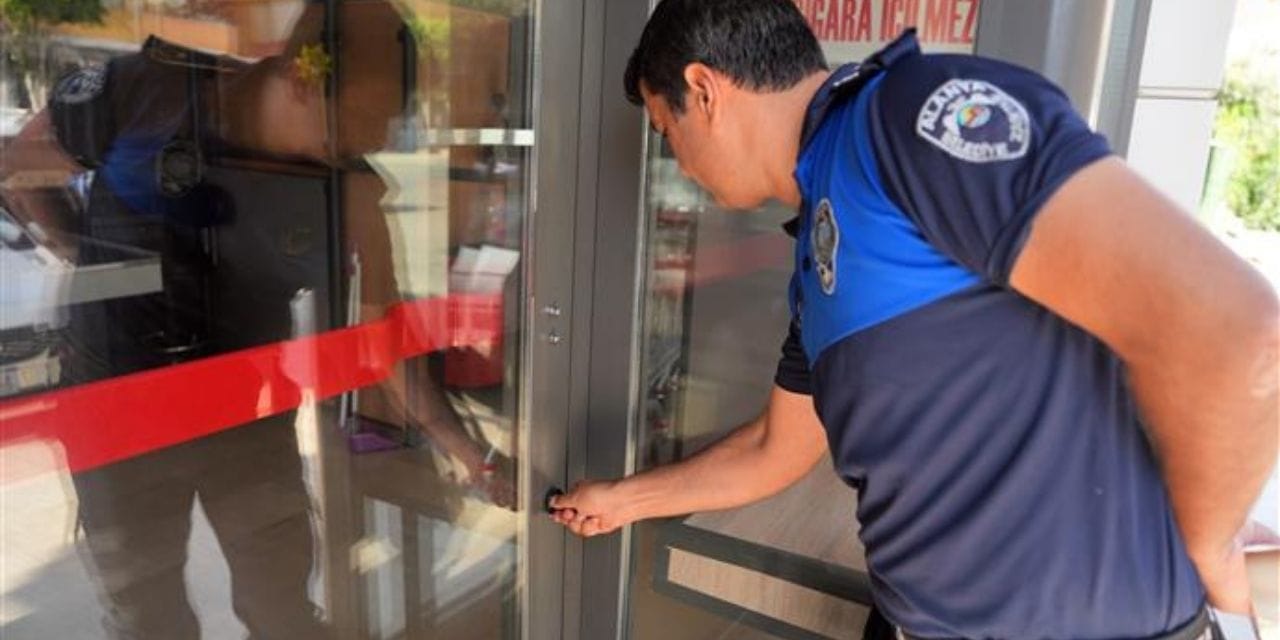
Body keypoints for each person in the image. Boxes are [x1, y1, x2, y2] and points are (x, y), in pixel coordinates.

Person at [549, 1, 1280, 638]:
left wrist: (1211, 545)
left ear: (705, 91)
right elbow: (775, 449)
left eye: (665, 129)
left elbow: (1235, 333)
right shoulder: (819, 248)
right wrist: (621, 501)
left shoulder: (907, 122)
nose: (677, 162)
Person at [0, 1, 509, 637]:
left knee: (280, 599)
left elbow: (382, 339)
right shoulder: (143, 90)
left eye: (391, 122)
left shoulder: (350, 189)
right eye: (367, 117)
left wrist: (463, 448)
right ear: (302, 77)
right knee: (146, 615)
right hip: (116, 410)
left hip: (245, 417)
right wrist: (89, 259)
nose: (378, 139)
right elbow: (22, 169)